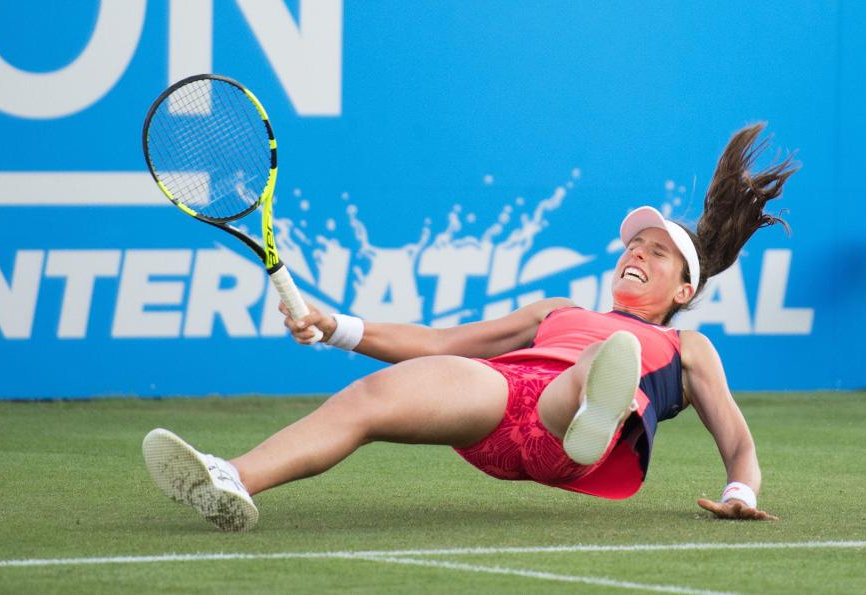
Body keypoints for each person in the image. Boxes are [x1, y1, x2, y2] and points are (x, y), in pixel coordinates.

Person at [142, 123, 797, 531]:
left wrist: (742, 489)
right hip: (497, 405)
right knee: (376, 396)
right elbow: (438, 343)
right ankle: (231, 478)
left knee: (597, 367)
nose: (636, 254)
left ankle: (595, 400)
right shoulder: (555, 310)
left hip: (572, 426)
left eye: (656, 252)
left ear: (685, 289)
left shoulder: (688, 347)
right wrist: (334, 323)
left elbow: (737, 440)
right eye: (632, 245)